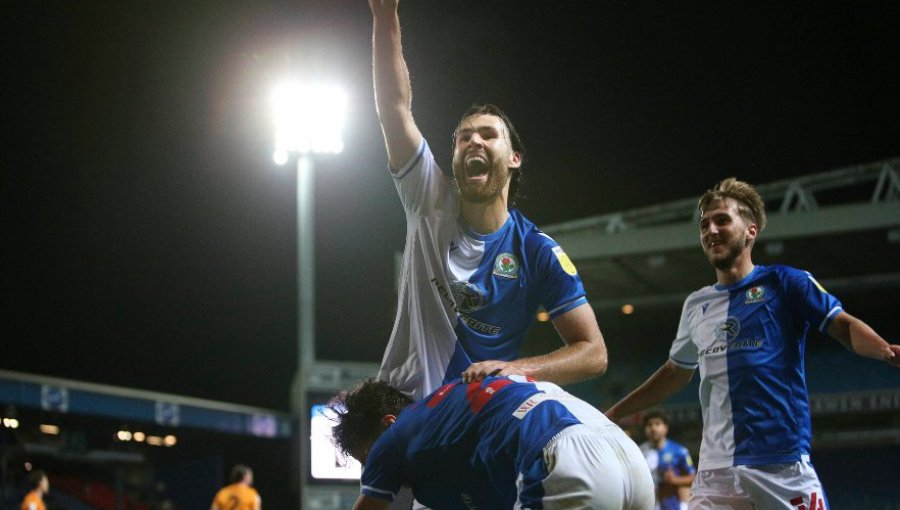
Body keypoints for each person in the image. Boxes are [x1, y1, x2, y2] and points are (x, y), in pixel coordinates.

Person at [605, 177, 900, 509]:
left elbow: (842, 327)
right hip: (715, 472)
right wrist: (615, 412)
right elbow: (676, 371)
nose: (710, 230)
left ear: (751, 230)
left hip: (779, 464)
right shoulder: (696, 305)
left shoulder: (786, 282)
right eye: (704, 224)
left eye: (722, 220)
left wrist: (885, 349)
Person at [368, 0, 607, 403]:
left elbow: (594, 353)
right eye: (464, 137)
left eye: (488, 135)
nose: (474, 140)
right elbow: (394, 108)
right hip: (404, 411)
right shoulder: (428, 198)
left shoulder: (536, 251)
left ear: (515, 159)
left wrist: (517, 370)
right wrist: (385, 17)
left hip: (474, 422)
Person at [329, 375, 654, 510]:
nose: (369, 471)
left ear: (388, 424)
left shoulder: (396, 439)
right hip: (628, 460)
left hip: (565, 461)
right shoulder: (451, 412)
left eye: (366, 459)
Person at [639, 409, 695, 510]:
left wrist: (675, 480)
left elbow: (694, 478)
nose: (653, 428)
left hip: (673, 505)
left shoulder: (680, 451)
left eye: (657, 423)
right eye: (649, 424)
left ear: (666, 428)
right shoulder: (638, 452)